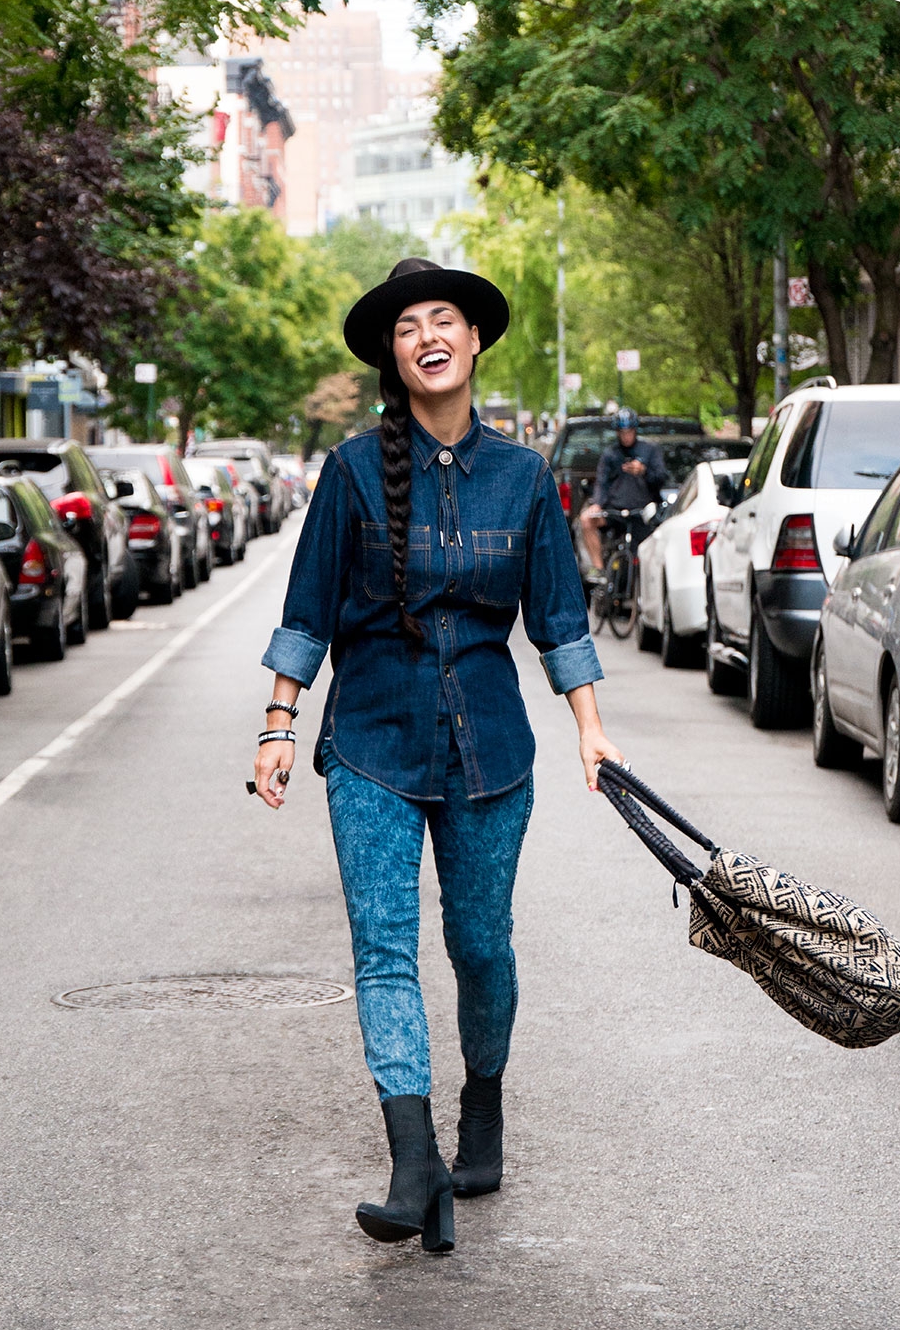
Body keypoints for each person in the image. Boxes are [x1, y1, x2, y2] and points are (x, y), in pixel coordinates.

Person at [253, 257, 622, 1254]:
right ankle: (414, 1161)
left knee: (480, 946)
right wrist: (279, 726)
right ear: (392, 352)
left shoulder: (523, 477)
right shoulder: (349, 474)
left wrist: (590, 727)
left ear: (472, 341)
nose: (427, 333)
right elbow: (306, 611)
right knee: (383, 954)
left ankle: (484, 1100)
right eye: (408, 322)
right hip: (370, 740)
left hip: (490, 752)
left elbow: (556, 615)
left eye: (443, 318)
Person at [579, 409, 667, 583]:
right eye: (622, 432)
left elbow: (661, 478)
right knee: (586, 520)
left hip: (643, 512)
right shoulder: (610, 454)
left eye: (629, 432)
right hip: (616, 511)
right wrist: (597, 503)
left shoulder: (650, 450)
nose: (626, 436)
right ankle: (600, 570)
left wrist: (644, 471)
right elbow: (602, 481)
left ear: (635, 430)